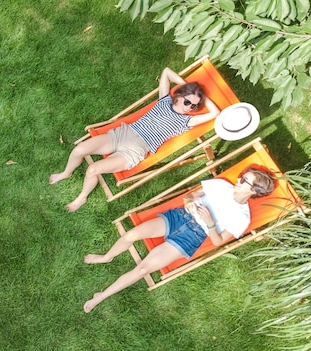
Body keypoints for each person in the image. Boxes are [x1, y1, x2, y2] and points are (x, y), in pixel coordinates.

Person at [82, 166, 277, 313]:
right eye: (242, 175)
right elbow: (191, 195)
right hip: (179, 217)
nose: (238, 179)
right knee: (131, 235)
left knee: (143, 269)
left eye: (245, 180)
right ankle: (107, 256)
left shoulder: (242, 218)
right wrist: (190, 202)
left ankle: (101, 296)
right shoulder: (221, 185)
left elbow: (217, 242)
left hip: (193, 236)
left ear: (254, 191)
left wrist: (210, 222)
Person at [50, 67, 221, 212]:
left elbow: (215, 113)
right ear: (179, 95)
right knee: (79, 149)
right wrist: (186, 85)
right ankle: (66, 172)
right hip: (125, 134)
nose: (190, 108)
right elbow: (166, 72)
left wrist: (202, 99)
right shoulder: (164, 100)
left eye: (194, 106)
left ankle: (82, 197)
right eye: (187, 102)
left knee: (93, 169)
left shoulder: (186, 121)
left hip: (136, 150)